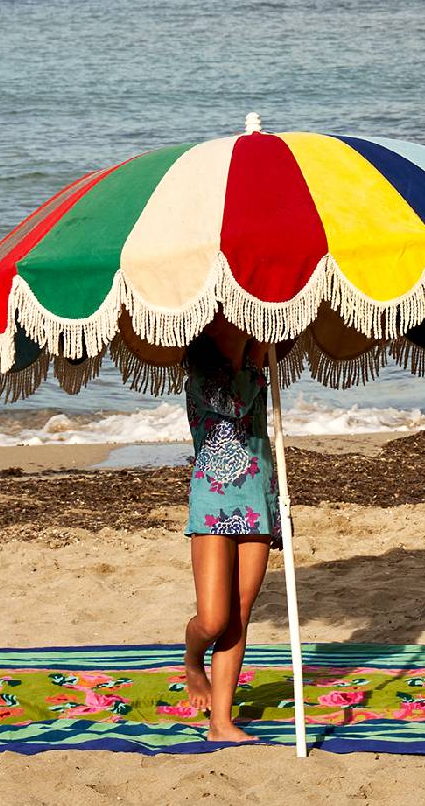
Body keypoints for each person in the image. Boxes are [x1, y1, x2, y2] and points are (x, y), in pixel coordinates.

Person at [182, 311, 282, 743]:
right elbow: (235, 402)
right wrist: (257, 355)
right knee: (213, 619)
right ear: (210, 332)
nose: (242, 328)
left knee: (239, 616)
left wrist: (270, 341)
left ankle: (221, 723)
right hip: (212, 501)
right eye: (231, 325)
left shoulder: (260, 368)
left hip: (257, 497)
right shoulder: (200, 379)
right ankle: (191, 662)